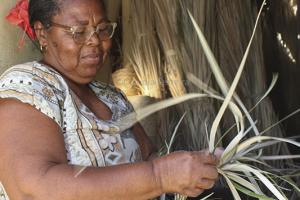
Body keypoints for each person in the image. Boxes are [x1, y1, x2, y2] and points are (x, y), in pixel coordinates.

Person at [0, 0, 221, 199]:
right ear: (41, 34)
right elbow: (33, 189)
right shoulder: (27, 86)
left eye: (102, 29)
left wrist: (196, 166)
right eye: (79, 31)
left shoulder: (112, 97)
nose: (95, 40)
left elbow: (150, 158)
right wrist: (159, 176)